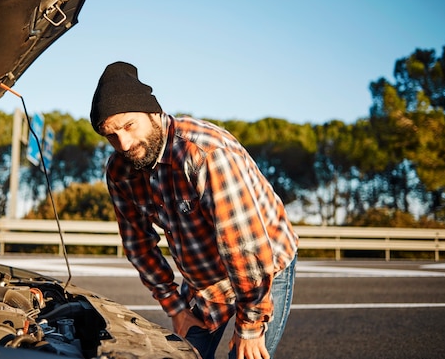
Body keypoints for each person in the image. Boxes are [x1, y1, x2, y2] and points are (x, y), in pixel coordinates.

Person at [90, 61, 299, 359]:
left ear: (153, 114)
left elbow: (244, 248)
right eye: (111, 135)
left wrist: (250, 326)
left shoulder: (206, 155)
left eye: (128, 126)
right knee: (185, 355)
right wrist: (174, 307)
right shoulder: (120, 171)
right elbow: (138, 246)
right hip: (204, 281)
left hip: (262, 264)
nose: (123, 143)